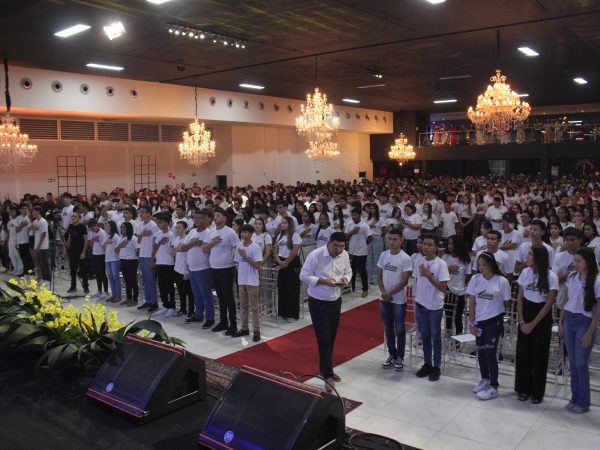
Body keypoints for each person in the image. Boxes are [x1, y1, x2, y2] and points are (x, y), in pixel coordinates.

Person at [300, 232, 352, 391]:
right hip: (318, 301)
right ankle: (328, 375)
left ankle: (325, 368)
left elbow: (348, 272)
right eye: (336, 246)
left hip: (335, 300)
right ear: (329, 242)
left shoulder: (344, 255)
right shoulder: (316, 255)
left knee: (331, 337)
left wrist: (346, 279)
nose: (339, 249)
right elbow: (303, 275)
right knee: (324, 338)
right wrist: (322, 281)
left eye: (342, 246)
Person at [558, 247, 600, 414]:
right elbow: (567, 299)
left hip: (585, 321)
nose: (575, 264)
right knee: (573, 363)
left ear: (588, 262)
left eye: (579, 261)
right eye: (574, 261)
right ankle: (574, 397)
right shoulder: (572, 277)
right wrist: (561, 322)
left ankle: (583, 401)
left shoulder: (596, 281)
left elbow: (598, 309)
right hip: (569, 318)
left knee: (581, 363)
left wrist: (590, 332)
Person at [515, 245, 558, 404]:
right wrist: (522, 321)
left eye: (530, 254)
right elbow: (520, 297)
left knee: (539, 356)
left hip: (541, 317)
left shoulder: (551, 276)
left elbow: (549, 304)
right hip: (526, 312)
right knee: (523, 354)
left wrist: (532, 324)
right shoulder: (525, 273)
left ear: (539, 257)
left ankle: (537, 392)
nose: (527, 257)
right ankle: (523, 388)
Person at [467, 252, 512, 400]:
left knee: (490, 351)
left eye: (485, 265)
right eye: (479, 265)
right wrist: (472, 322)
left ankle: (494, 385)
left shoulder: (501, 281)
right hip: (479, 320)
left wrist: (498, 302)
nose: (481, 268)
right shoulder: (475, 279)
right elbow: (472, 301)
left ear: (492, 265)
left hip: (494, 320)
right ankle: (484, 378)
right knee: (480, 350)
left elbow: (507, 302)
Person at [413, 234, 449, 381]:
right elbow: (416, 281)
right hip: (420, 303)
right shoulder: (419, 261)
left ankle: (437, 366)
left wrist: (428, 275)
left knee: (435, 336)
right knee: (425, 335)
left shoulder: (441, 264)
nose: (426, 247)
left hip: (434, 306)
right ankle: (427, 363)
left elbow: (443, 287)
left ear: (436, 247)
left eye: (429, 245)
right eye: (424, 244)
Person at [377, 228, 412, 371]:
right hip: (384, 298)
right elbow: (379, 275)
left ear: (401, 240)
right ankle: (392, 354)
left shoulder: (405, 258)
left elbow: (404, 281)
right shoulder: (384, 255)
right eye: (389, 239)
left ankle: (400, 356)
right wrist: (384, 293)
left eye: (394, 239)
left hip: (398, 299)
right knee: (388, 327)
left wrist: (390, 293)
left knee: (399, 328)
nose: (391, 242)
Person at [203, 207, 240, 334]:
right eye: (214, 215)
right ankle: (223, 322)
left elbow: (238, 248)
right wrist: (213, 243)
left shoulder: (230, 232)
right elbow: (204, 249)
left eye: (218, 215)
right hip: (214, 268)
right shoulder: (211, 232)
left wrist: (235, 262)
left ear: (224, 217)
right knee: (220, 296)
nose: (215, 218)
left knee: (228, 296)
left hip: (227, 268)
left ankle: (233, 324)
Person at [182, 209, 214, 327]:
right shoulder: (192, 232)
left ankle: (210, 318)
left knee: (206, 294)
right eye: (195, 217)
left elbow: (209, 249)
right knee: (196, 294)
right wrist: (193, 243)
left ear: (206, 219)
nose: (196, 220)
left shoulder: (209, 233)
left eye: (199, 218)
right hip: (192, 268)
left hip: (203, 268)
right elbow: (183, 248)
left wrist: (199, 244)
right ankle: (198, 315)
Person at [233, 224, 263, 341]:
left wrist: (245, 257)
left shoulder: (255, 247)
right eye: (242, 232)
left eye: (245, 232)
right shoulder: (239, 246)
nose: (243, 234)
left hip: (252, 281)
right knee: (243, 306)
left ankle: (256, 331)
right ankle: (244, 328)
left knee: (254, 307)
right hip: (242, 280)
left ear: (251, 234)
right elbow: (237, 262)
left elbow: (257, 265)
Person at [274, 216, 302, 322]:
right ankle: (282, 312)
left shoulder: (295, 235)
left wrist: (284, 263)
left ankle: (292, 314)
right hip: (281, 261)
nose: (282, 224)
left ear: (290, 224)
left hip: (291, 262)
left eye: (285, 223)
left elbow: (294, 252)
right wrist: (279, 261)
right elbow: (275, 251)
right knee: (282, 288)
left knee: (292, 289)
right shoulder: (279, 236)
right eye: (282, 223)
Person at [442, 235, 471, 335]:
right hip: (447, 290)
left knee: (458, 316)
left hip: (460, 292)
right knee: (448, 315)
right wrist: (448, 269)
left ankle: (458, 337)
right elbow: (439, 274)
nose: (450, 246)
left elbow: (468, 276)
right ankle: (448, 335)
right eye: (449, 243)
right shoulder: (445, 258)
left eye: (452, 243)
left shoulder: (465, 260)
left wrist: (462, 285)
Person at [552, 227, 582, 309]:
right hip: (562, 300)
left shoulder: (588, 256)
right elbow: (554, 280)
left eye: (572, 240)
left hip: (582, 302)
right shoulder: (559, 257)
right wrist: (572, 272)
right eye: (567, 240)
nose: (569, 243)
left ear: (580, 240)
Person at [345, 208, 372, 298]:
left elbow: (370, 237)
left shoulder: (364, 225)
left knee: (362, 271)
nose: (353, 217)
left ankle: (365, 289)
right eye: (352, 215)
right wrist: (352, 232)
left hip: (361, 252)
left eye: (355, 215)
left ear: (360, 215)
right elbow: (345, 236)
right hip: (351, 251)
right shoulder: (349, 224)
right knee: (351, 270)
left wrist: (363, 244)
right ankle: (352, 288)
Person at [152, 212, 176, 317]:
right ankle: (165, 305)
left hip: (168, 263)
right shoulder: (158, 233)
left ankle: (172, 306)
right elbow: (155, 246)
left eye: (161, 222)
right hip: (159, 262)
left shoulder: (171, 235)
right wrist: (152, 258)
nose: (159, 224)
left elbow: (174, 249)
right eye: (158, 223)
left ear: (167, 223)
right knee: (161, 285)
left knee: (169, 286)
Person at [136, 206, 159, 312]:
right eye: (140, 212)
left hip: (150, 255)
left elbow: (155, 242)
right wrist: (142, 234)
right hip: (142, 255)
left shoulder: (153, 225)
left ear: (149, 214)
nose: (141, 214)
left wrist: (153, 257)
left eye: (143, 212)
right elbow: (138, 241)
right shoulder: (140, 225)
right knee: (144, 280)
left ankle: (154, 302)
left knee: (150, 280)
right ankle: (148, 300)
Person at [171, 220, 193, 318]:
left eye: (179, 227)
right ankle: (183, 309)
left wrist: (187, 271)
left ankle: (191, 310)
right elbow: (173, 254)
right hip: (177, 269)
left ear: (185, 228)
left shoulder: (188, 240)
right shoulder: (176, 239)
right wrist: (176, 249)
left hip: (185, 270)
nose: (177, 229)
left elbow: (189, 256)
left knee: (189, 292)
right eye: (176, 227)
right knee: (181, 292)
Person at [116, 221, 139, 306]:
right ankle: (128, 298)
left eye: (124, 227)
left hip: (131, 260)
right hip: (123, 260)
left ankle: (135, 299)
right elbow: (116, 250)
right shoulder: (121, 238)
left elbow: (138, 249)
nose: (122, 229)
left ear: (128, 228)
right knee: (126, 280)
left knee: (133, 280)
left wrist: (136, 254)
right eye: (121, 227)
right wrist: (121, 245)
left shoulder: (133, 238)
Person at [65, 212, 89, 293]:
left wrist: (83, 252)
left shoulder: (82, 227)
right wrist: (66, 248)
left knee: (83, 270)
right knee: (72, 270)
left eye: (74, 216)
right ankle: (73, 286)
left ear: (79, 218)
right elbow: (69, 238)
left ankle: (85, 286)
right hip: (72, 251)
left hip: (80, 251)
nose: (73, 217)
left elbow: (86, 240)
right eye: (72, 216)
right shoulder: (70, 226)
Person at [87, 219, 109, 299]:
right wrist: (93, 239)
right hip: (94, 254)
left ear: (97, 225)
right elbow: (90, 244)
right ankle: (99, 291)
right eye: (91, 229)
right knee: (97, 273)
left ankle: (106, 291)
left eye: (93, 228)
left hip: (102, 255)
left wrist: (98, 240)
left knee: (102, 273)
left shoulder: (102, 233)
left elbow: (104, 246)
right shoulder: (91, 232)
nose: (93, 230)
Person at [102, 220, 121, 303]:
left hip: (115, 259)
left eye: (108, 226)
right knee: (110, 277)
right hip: (107, 259)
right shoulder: (106, 235)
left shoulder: (116, 236)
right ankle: (113, 294)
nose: (106, 228)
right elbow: (103, 248)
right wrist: (107, 242)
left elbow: (119, 249)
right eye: (106, 226)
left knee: (115, 277)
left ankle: (118, 296)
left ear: (112, 227)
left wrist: (112, 243)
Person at [31, 206, 51, 283]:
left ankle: (48, 279)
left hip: (43, 246)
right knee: (39, 262)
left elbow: (43, 234)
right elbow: (33, 233)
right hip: (37, 245)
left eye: (33, 211)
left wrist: (39, 246)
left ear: (38, 211)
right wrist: (34, 228)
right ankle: (41, 278)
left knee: (44, 263)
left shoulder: (43, 221)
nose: (32, 213)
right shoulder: (35, 221)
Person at [15, 204, 34, 276]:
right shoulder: (18, 218)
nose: (25, 210)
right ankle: (25, 272)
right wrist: (22, 225)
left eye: (26, 208)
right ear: (20, 210)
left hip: (28, 240)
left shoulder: (30, 217)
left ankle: (31, 273)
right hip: (20, 241)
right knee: (23, 257)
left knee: (29, 258)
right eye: (23, 208)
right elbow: (17, 230)